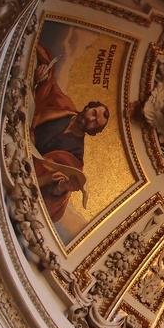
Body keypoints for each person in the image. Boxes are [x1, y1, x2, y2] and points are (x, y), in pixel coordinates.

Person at [30, 44, 109, 222]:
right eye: (93, 113)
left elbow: (58, 193)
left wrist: (60, 187)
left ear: (94, 131)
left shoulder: (75, 156)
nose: (91, 119)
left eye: (96, 122)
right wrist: (40, 78)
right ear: (88, 107)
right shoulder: (65, 106)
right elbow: (49, 88)